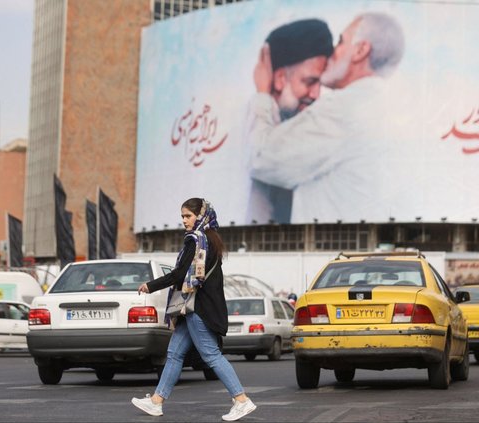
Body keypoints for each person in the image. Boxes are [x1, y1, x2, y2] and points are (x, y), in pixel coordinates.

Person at [248, 12, 405, 224]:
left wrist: (262, 93)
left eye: (341, 42)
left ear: (360, 50)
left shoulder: (346, 108)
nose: (333, 53)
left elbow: (261, 159)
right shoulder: (386, 104)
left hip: (333, 246)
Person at [131, 198, 256, 421]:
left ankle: (241, 400)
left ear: (200, 216)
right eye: (182, 216)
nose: (184, 221)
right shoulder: (210, 240)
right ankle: (157, 402)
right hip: (194, 306)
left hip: (197, 307)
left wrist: (150, 285)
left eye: (188, 216)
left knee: (211, 355)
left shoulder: (195, 240)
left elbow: (179, 274)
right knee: (174, 354)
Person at [246, 18, 333, 224]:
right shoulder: (250, 121)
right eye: (309, 82)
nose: (315, 94)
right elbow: (258, 160)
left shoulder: (305, 127)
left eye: (320, 83)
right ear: (279, 79)